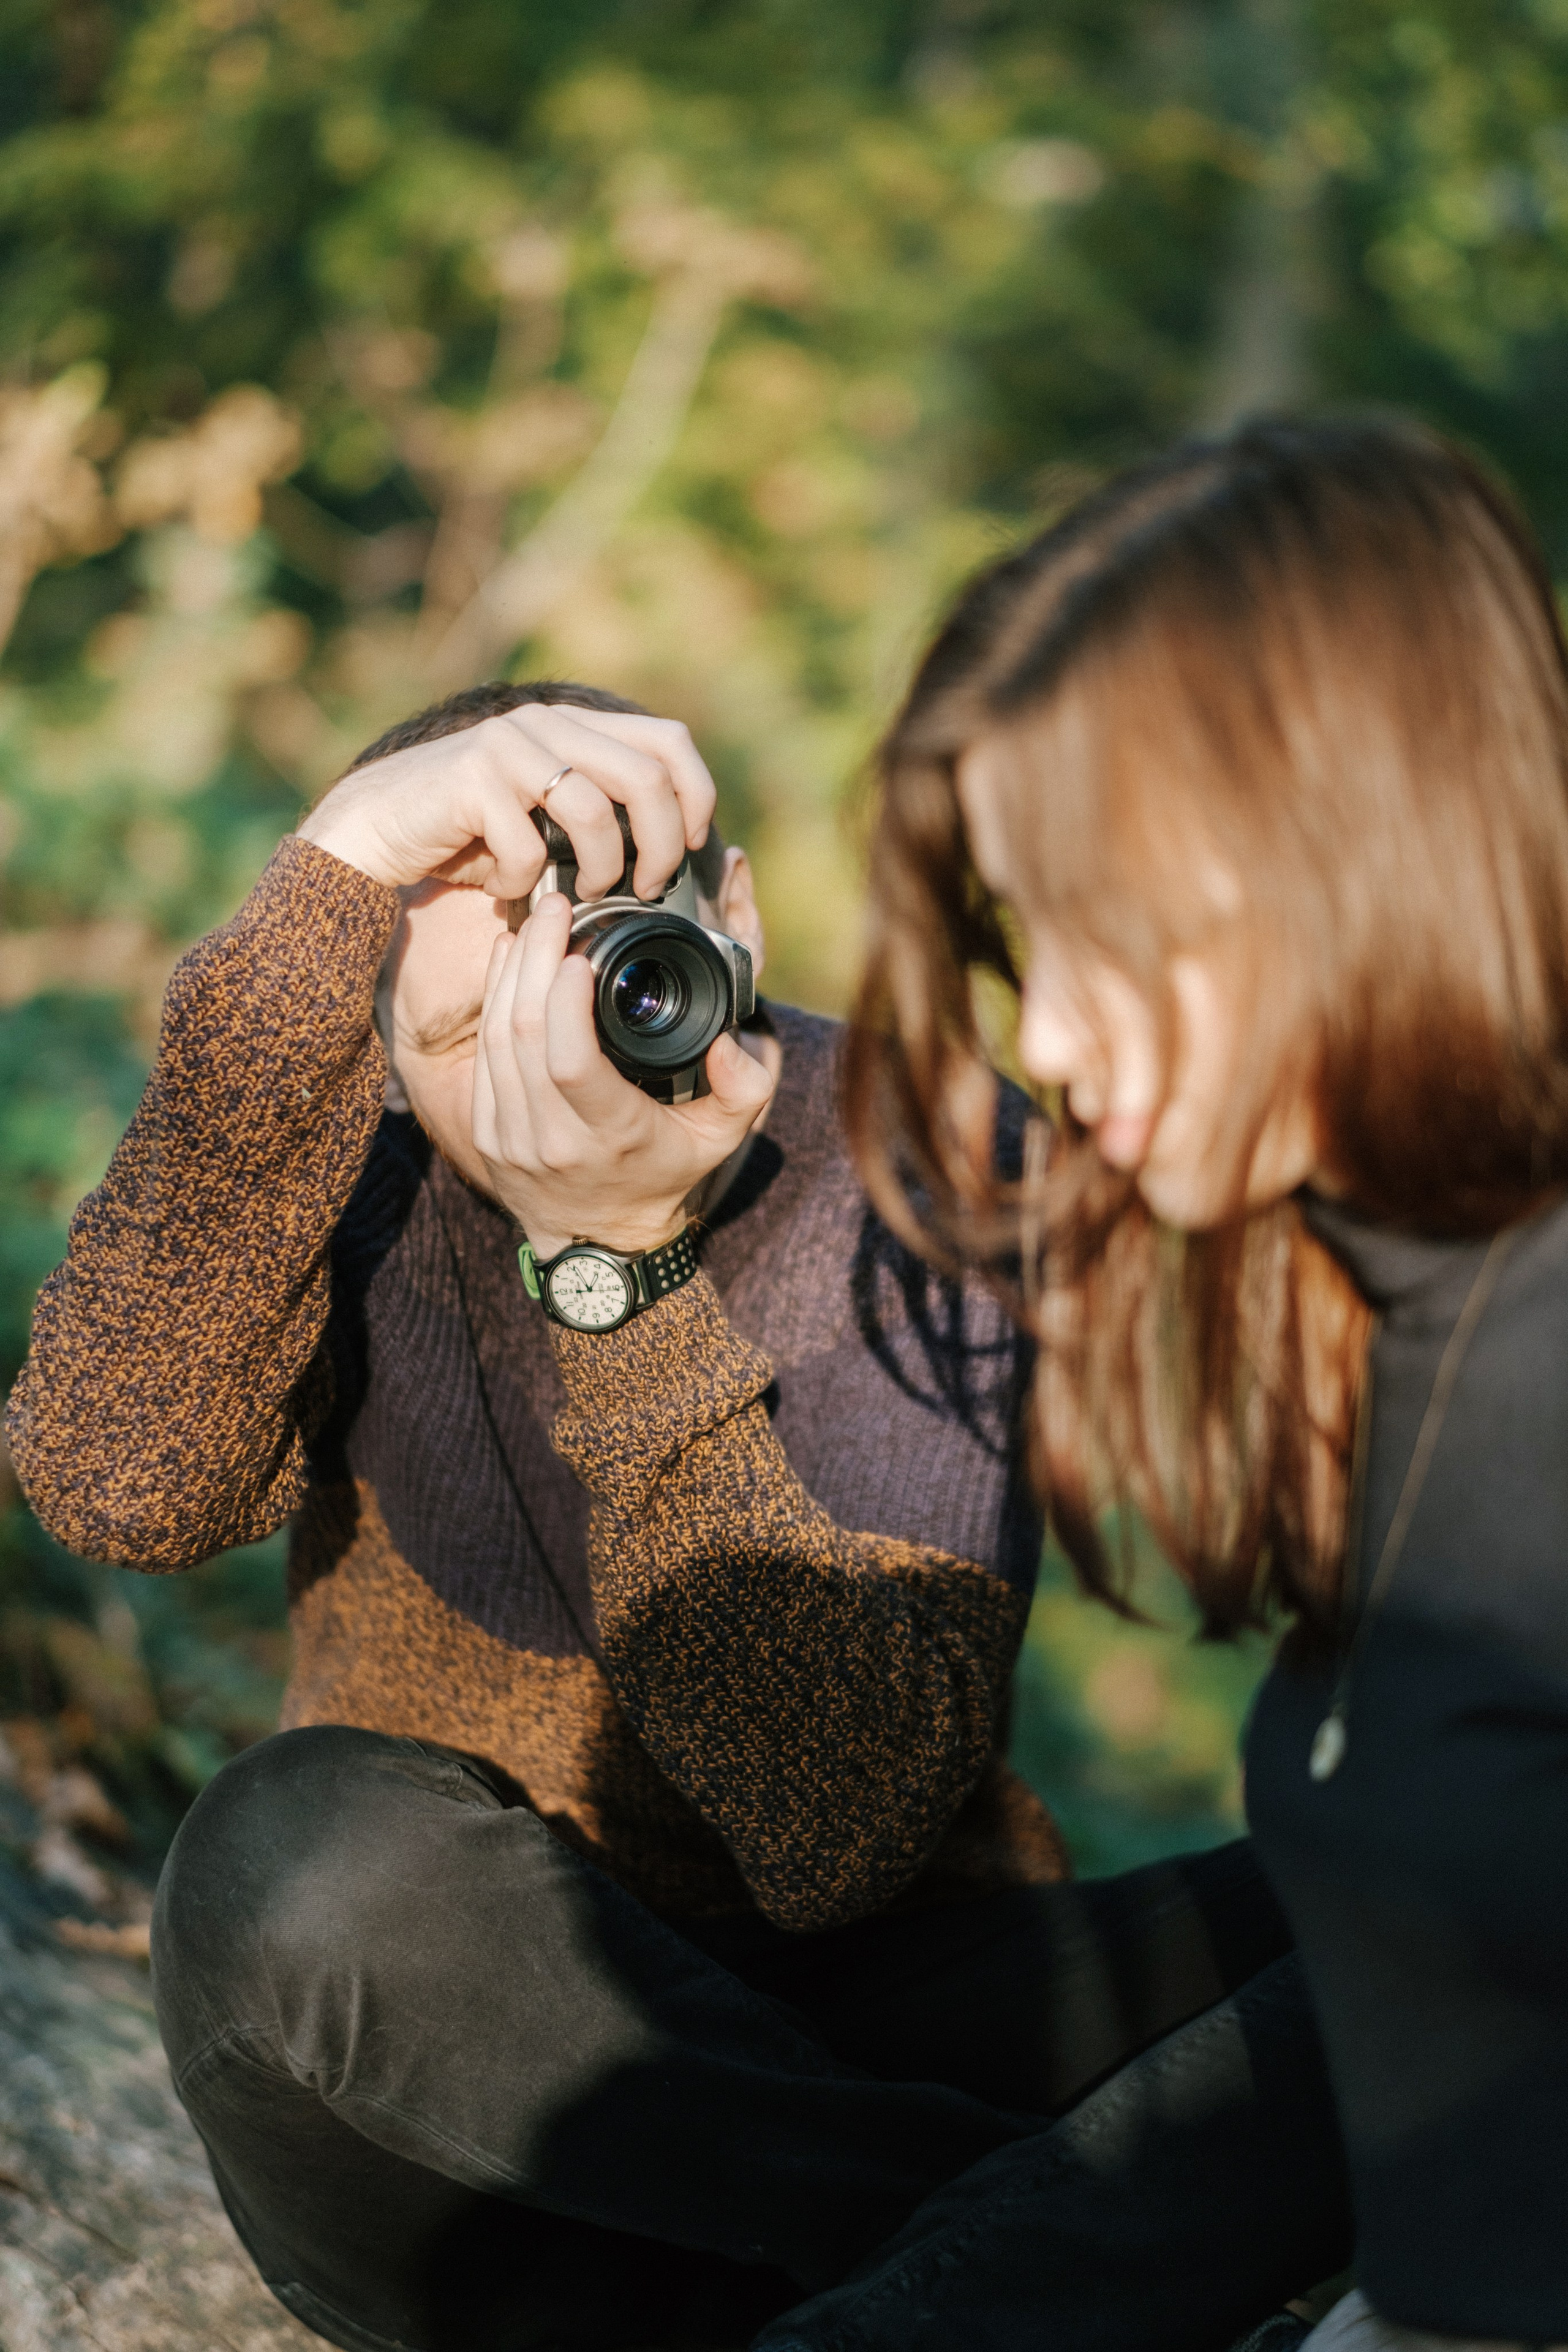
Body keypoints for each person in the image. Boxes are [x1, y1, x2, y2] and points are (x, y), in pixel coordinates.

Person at [4, 676, 1334, 2352]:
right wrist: (328, 881)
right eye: (469, 1040)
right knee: (285, 1861)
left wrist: (615, 1282)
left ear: (736, 924)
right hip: (484, 2088)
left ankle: (970, 2288)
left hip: (888, 2007)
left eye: (618, 982)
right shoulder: (348, 1155)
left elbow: (838, 1835)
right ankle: (1042, 2254)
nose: (549, 1091)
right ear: (385, 1055)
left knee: (1430, 1883)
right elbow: (112, 1486)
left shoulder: (921, 1158)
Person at [800, 413, 1568, 2352]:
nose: (1047, 1030)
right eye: (1015, 940)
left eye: (1109, 931)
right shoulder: (1361, 1303)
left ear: (1358, 844)